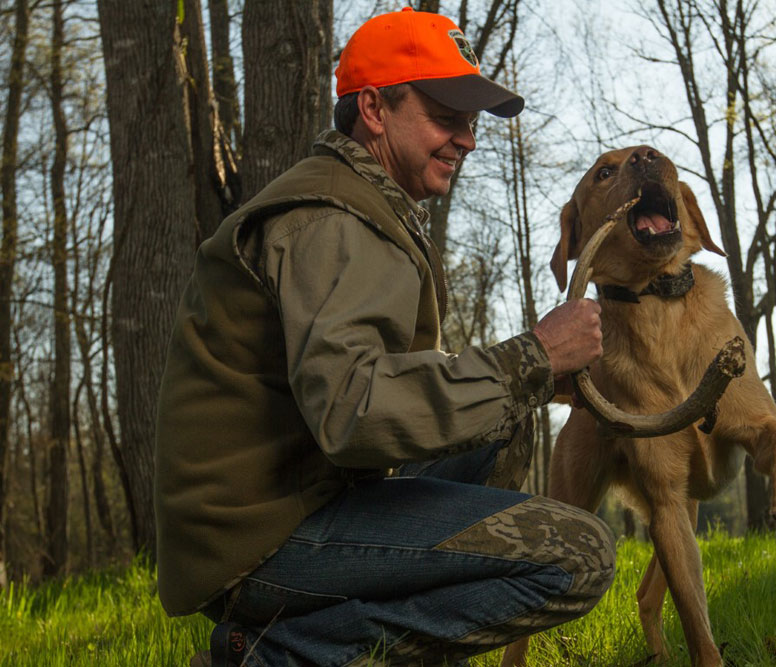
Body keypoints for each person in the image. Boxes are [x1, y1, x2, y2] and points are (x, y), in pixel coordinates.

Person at [155, 8, 614, 667]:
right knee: (580, 555)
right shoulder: (331, 218)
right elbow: (354, 412)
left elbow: (375, 394)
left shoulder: (361, 205)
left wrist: (531, 375)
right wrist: (532, 355)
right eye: (445, 116)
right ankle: (275, 657)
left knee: (505, 414)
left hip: (305, 506)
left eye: (471, 121)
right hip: (258, 543)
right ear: (373, 108)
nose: (468, 140)